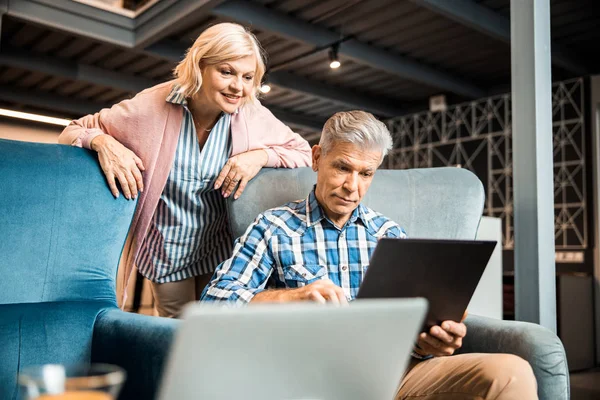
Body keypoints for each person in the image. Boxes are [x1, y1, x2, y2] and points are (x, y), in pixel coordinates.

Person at [201, 111, 538, 399]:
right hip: (312, 376)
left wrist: (431, 340)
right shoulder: (274, 227)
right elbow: (214, 305)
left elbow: (409, 326)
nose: (353, 186)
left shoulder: (389, 234)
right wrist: (293, 298)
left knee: (511, 372)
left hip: (397, 371)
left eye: (366, 174)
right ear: (317, 159)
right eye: (342, 168)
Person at [58, 23, 312, 318]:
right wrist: (103, 142)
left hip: (219, 250)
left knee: (215, 327)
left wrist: (259, 156)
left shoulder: (251, 114)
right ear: (200, 65)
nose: (238, 87)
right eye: (226, 72)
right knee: (174, 333)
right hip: (167, 252)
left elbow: (304, 153)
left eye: (248, 77)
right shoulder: (152, 105)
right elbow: (73, 130)